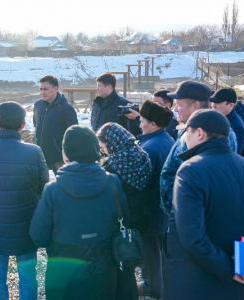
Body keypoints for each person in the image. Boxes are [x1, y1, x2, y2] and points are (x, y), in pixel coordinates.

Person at [30, 125, 128, 300]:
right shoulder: (112, 183)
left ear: (65, 152)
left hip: (63, 270)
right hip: (104, 267)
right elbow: (124, 222)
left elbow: (38, 236)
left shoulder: (53, 189)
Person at [163, 109, 244, 300]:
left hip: (195, 279)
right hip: (234, 280)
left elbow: (192, 237)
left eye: (187, 131)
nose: (185, 137)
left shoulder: (191, 169)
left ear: (200, 133)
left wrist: (228, 269)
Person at [0, 102, 49, 300]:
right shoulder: (34, 152)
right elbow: (43, 185)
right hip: (26, 225)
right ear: (23, 125)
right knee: (28, 274)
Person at [160, 80, 237, 217]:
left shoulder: (201, 135)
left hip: (189, 216)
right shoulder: (220, 130)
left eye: (179, 104)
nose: (175, 109)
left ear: (195, 106)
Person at [97, 122, 152, 300]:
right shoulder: (142, 154)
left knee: (118, 263)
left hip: (120, 221)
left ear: (111, 142)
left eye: (103, 145)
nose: (103, 149)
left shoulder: (113, 165)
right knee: (131, 261)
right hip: (142, 217)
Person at [136, 101, 175, 299]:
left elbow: (143, 182)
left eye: (142, 120)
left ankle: (155, 289)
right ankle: (159, 285)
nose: (139, 123)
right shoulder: (166, 139)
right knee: (159, 253)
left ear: (152, 124)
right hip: (162, 208)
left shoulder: (150, 147)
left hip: (151, 209)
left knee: (150, 254)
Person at [33, 75, 78, 174]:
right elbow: (36, 127)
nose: (42, 92)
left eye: (45, 89)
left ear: (56, 88)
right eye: (40, 89)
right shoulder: (37, 105)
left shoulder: (67, 109)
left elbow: (74, 136)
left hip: (58, 161)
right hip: (39, 158)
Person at [210, 88, 244, 155]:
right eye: (213, 102)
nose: (213, 105)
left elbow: (234, 154)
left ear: (231, 105)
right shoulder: (216, 118)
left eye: (217, 102)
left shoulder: (237, 126)